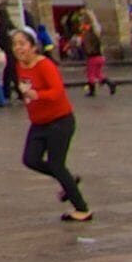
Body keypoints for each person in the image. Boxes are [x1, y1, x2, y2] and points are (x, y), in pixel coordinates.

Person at [8, 26, 91, 222]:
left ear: (33, 46)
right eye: (15, 44)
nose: (18, 48)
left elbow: (56, 92)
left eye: (22, 44)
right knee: (30, 159)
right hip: (39, 123)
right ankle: (68, 181)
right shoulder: (19, 66)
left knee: (56, 163)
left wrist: (36, 94)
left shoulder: (45, 65)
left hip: (59, 121)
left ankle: (82, 209)